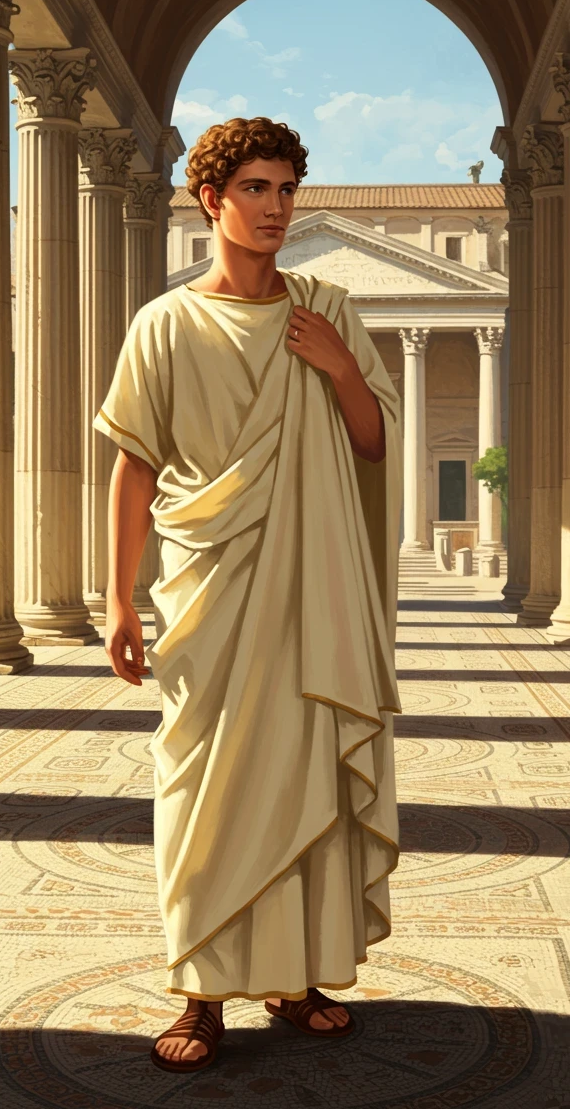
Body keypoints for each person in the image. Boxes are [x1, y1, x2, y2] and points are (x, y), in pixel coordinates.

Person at [94, 116, 403, 1073]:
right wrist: (118, 599)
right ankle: (199, 992)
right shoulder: (165, 323)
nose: (275, 209)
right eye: (256, 190)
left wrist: (341, 367)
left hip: (311, 592)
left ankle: (297, 978)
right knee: (203, 788)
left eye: (285, 190)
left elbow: (372, 443)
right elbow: (135, 470)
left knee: (306, 766)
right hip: (206, 590)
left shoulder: (328, 309)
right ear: (211, 201)